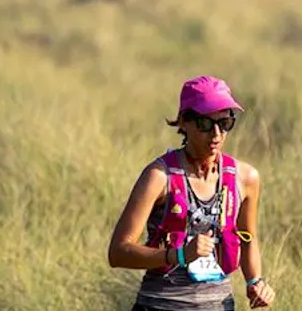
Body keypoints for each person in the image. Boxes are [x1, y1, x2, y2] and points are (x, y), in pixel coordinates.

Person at [107, 76, 275, 310]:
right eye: (205, 124)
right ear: (184, 122)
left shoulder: (246, 178)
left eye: (225, 123)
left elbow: (248, 238)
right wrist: (178, 255)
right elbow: (118, 253)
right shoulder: (159, 177)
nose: (216, 134)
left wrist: (255, 282)